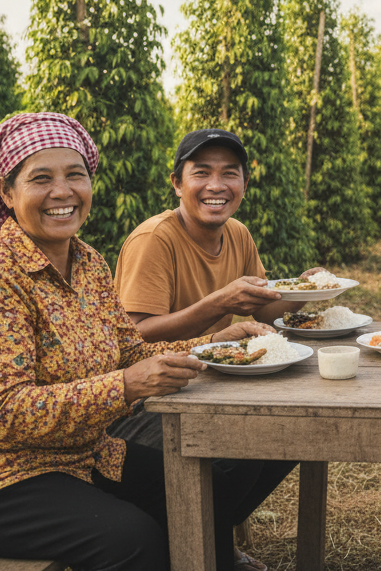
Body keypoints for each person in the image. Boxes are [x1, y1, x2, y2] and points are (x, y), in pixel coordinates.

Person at [0, 113, 285, 571]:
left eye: (75, 175)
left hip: (83, 453)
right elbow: (4, 412)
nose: (62, 192)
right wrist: (126, 387)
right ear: (5, 193)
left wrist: (212, 344)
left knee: (203, 491)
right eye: (41, 179)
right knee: (132, 540)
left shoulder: (87, 261)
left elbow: (129, 350)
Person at [111, 128, 313, 571]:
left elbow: (263, 302)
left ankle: (210, 527)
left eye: (230, 174)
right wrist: (216, 304)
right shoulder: (155, 241)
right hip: (156, 397)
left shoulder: (237, 233)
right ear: (177, 182)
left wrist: (308, 290)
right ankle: (202, 540)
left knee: (298, 432)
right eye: (201, 172)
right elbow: (135, 335)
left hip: (221, 382)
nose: (216, 185)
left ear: (243, 183)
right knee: (230, 455)